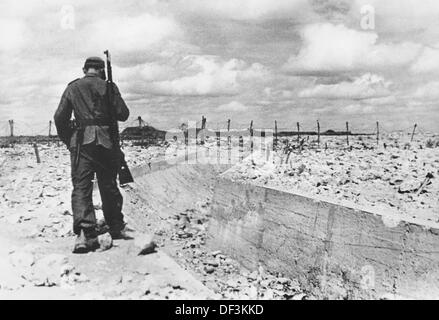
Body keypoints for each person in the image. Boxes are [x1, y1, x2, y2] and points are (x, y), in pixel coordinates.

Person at [54, 57, 130, 254]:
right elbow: (123, 114)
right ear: (102, 70)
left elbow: (59, 117)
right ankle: (115, 227)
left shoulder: (73, 87)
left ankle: (85, 234)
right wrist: (112, 93)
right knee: (109, 185)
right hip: (106, 143)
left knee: (81, 187)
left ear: (84, 69)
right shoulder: (109, 87)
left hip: (81, 144)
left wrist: (69, 140)